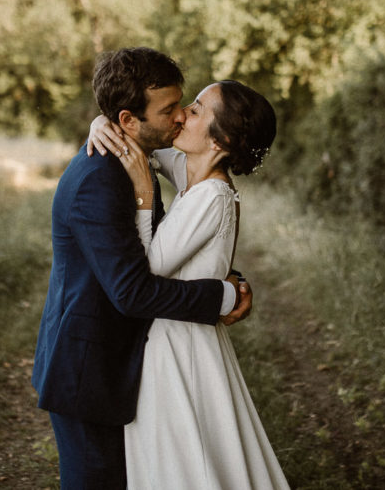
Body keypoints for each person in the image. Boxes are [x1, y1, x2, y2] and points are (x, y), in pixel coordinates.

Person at [31, 48, 252, 489]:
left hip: (121, 362)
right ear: (129, 120)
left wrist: (105, 119)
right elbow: (133, 291)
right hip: (90, 370)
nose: (180, 118)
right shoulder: (101, 178)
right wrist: (224, 295)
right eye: (169, 110)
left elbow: (181, 243)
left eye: (183, 105)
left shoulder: (138, 156)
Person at [88, 79, 290, 489]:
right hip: (175, 333)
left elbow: (148, 269)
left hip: (182, 346)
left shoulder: (212, 195)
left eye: (196, 110)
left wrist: (145, 196)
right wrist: (100, 122)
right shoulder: (192, 172)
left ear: (224, 139)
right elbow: (136, 144)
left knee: (191, 457)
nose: (182, 115)